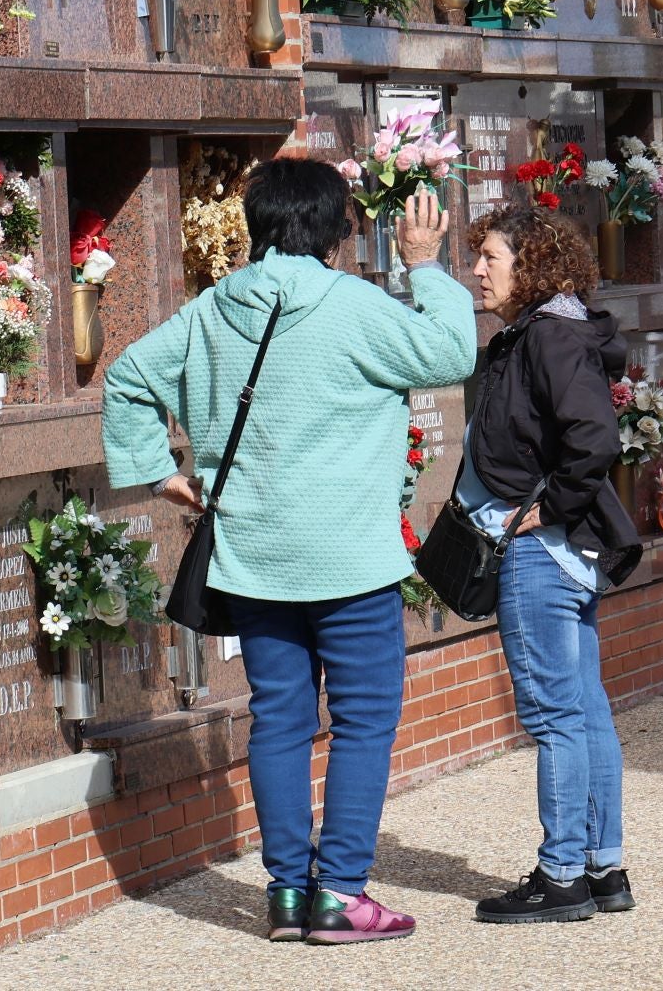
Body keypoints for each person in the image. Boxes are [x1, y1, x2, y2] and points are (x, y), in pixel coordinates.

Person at [102, 165, 476, 945]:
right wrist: (426, 264)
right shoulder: (355, 307)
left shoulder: (211, 310)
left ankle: (284, 895)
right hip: (350, 560)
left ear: (255, 225)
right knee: (365, 723)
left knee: (279, 721)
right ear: (339, 231)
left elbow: (130, 377)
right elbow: (450, 352)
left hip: (253, 556)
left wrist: (161, 473)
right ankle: (338, 893)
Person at [459, 204, 644, 925]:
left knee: (556, 716)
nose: (477, 270)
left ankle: (561, 874)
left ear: (530, 268)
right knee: (585, 708)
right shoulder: (549, 333)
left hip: (541, 553)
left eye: (491, 258)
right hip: (560, 552)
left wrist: (553, 507)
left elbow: (594, 436)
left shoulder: (548, 337)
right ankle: (603, 869)